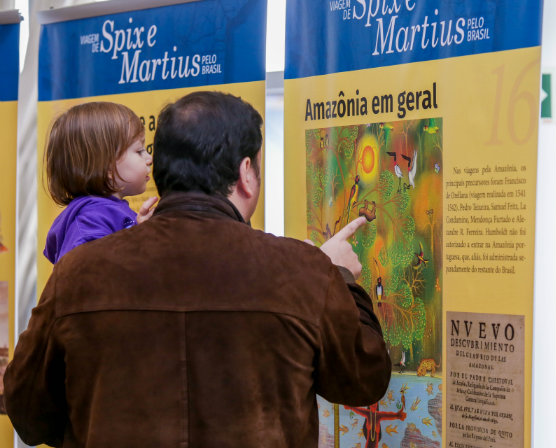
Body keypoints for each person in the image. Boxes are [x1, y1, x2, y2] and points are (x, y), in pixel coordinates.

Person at [4, 91, 392, 447]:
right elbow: (364, 378)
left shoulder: (78, 273)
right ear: (245, 173)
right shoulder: (302, 271)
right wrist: (339, 277)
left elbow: (30, 414)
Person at [42, 101, 157, 264]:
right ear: (107, 167)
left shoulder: (105, 212)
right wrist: (137, 237)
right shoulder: (90, 219)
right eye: (139, 151)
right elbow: (94, 272)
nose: (149, 158)